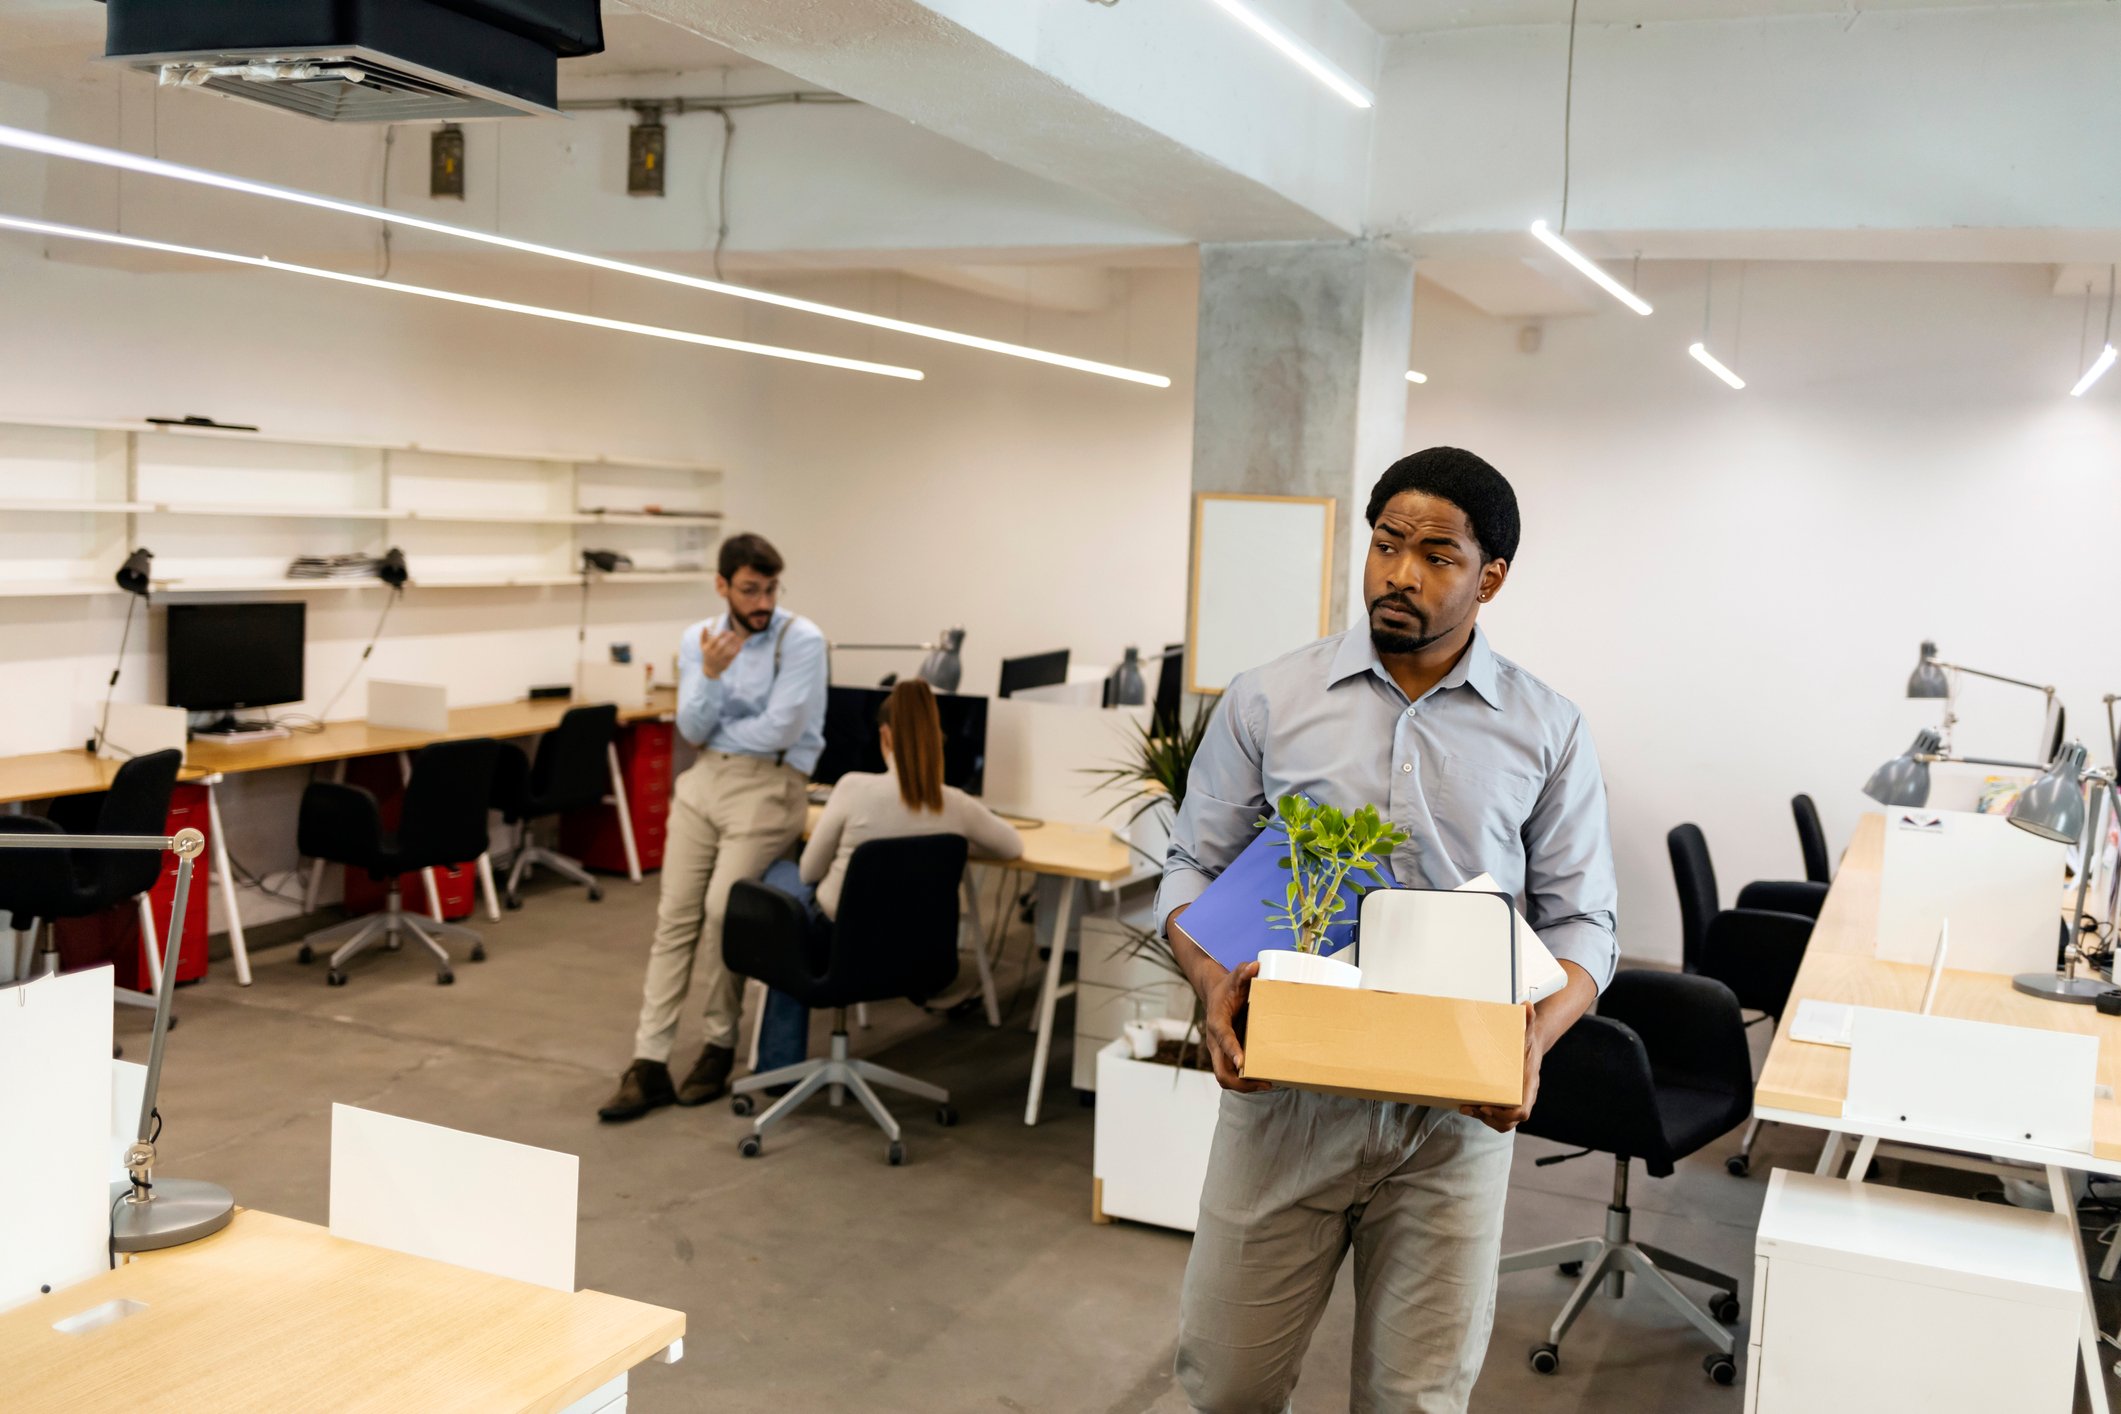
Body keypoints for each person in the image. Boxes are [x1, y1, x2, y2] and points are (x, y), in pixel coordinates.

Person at [1158, 447, 1618, 1413]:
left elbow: (1585, 923)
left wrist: (1533, 1036)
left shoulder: (1547, 728)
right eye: (1385, 545)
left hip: (1453, 1122)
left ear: (1489, 578)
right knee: (1224, 1385)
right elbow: (1191, 869)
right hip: (1284, 1103)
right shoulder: (1266, 699)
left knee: (1415, 1401)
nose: (1400, 574)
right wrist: (1210, 986)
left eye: (1437, 555)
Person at [599, 532, 828, 1121]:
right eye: (750, 589)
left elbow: (781, 730)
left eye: (771, 589)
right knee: (674, 916)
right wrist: (710, 674)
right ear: (723, 585)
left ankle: (719, 1045)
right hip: (704, 783)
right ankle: (648, 1062)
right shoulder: (698, 641)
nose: (763, 602)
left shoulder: (800, 641)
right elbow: (694, 731)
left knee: (726, 913)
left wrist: (722, 727)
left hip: (770, 786)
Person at [749, 679, 1024, 1070]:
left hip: (840, 942)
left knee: (783, 882)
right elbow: (1012, 846)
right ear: (937, 739)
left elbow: (810, 871)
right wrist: (955, 840)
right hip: (916, 952)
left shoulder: (853, 788)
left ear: (885, 736)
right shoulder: (957, 804)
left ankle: (778, 1068)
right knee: (796, 916)